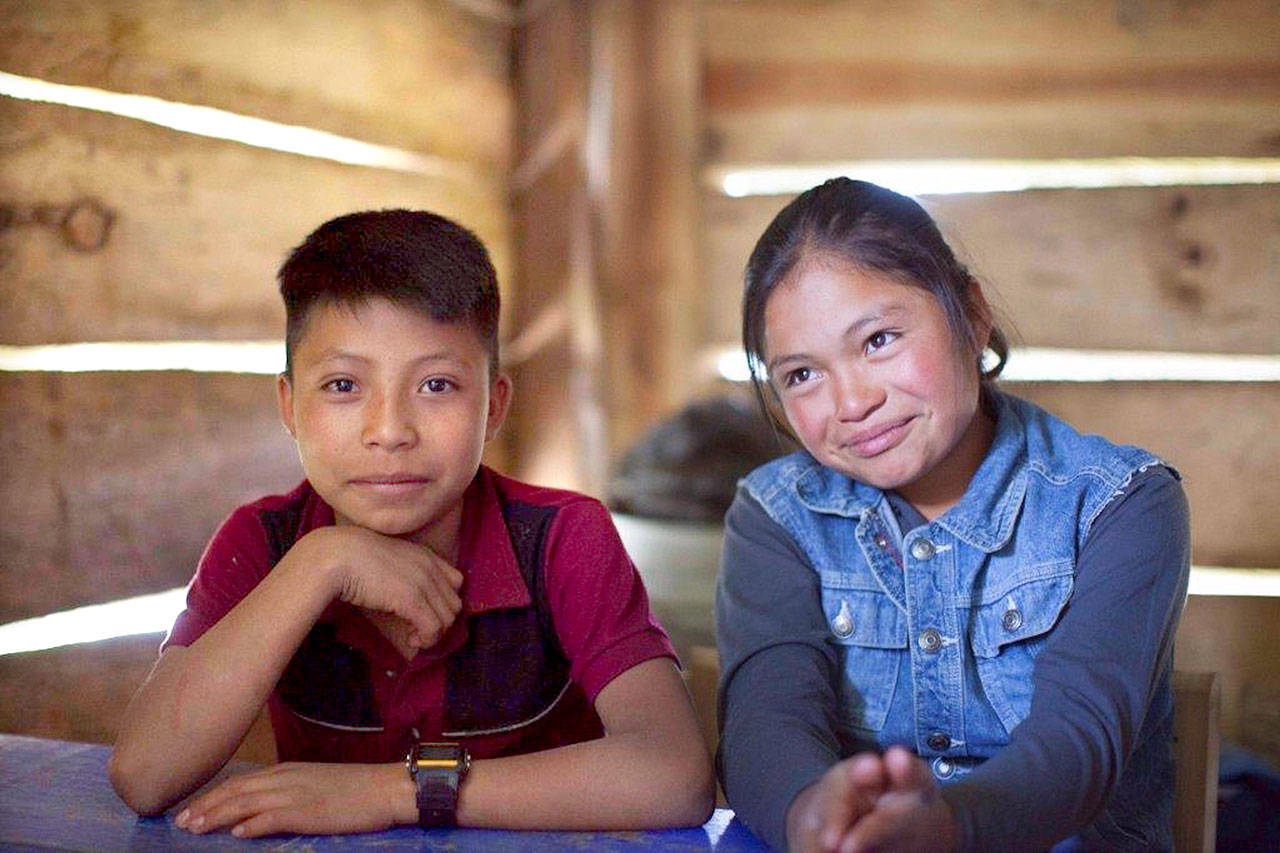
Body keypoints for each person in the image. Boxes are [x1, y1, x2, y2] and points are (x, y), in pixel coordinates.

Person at [109, 209, 714, 838]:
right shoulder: (265, 544)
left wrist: (394, 791)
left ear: (494, 404)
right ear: (289, 406)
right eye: (343, 385)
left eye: (437, 385)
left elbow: (676, 775)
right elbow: (145, 774)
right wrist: (323, 562)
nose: (390, 431)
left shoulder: (562, 538)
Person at [714, 179, 1189, 851]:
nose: (852, 402)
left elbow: (1080, 742)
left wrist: (946, 827)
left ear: (972, 312)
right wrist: (811, 815)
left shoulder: (1121, 504)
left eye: (879, 339)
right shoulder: (776, 517)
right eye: (801, 374)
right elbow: (766, 718)